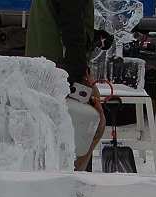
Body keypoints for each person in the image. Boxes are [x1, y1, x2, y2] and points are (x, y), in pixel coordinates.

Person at [25, 0, 105, 171]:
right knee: (90, 125)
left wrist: (91, 37)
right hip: (60, 70)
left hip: (41, 66)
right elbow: (72, 27)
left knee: (48, 135)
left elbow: (63, 20)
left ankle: (56, 182)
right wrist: (76, 77)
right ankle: (67, 185)